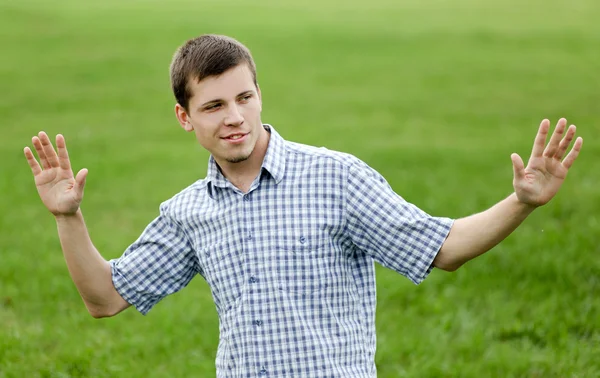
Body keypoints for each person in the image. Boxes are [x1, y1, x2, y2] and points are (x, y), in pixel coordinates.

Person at [23, 34, 583, 377]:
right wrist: (68, 217)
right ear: (184, 117)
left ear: (259, 93)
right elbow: (104, 297)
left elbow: (445, 248)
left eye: (244, 97)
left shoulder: (335, 178)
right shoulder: (189, 212)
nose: (235, 117)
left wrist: (521, 202)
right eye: (214, 105)